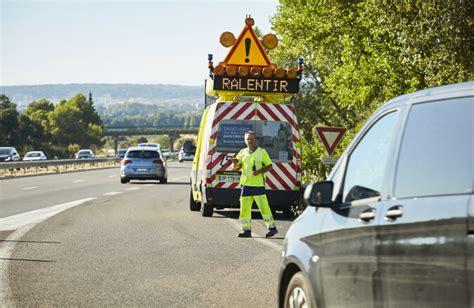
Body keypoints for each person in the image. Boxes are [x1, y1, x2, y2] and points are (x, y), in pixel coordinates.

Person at [231, 131, 278, 238]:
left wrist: (259, 171)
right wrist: (234, 162)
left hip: (258, 185)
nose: (249, 140)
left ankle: (272, 228)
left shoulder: (262, 152)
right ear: (245, 140)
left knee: (264, 207)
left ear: (255, 140)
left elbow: (270, 166)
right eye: (247, 139)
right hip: (245, 185)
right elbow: (235, 168)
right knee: (244, 209)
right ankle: (246, 230)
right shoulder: (242, 152)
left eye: (251, 138)